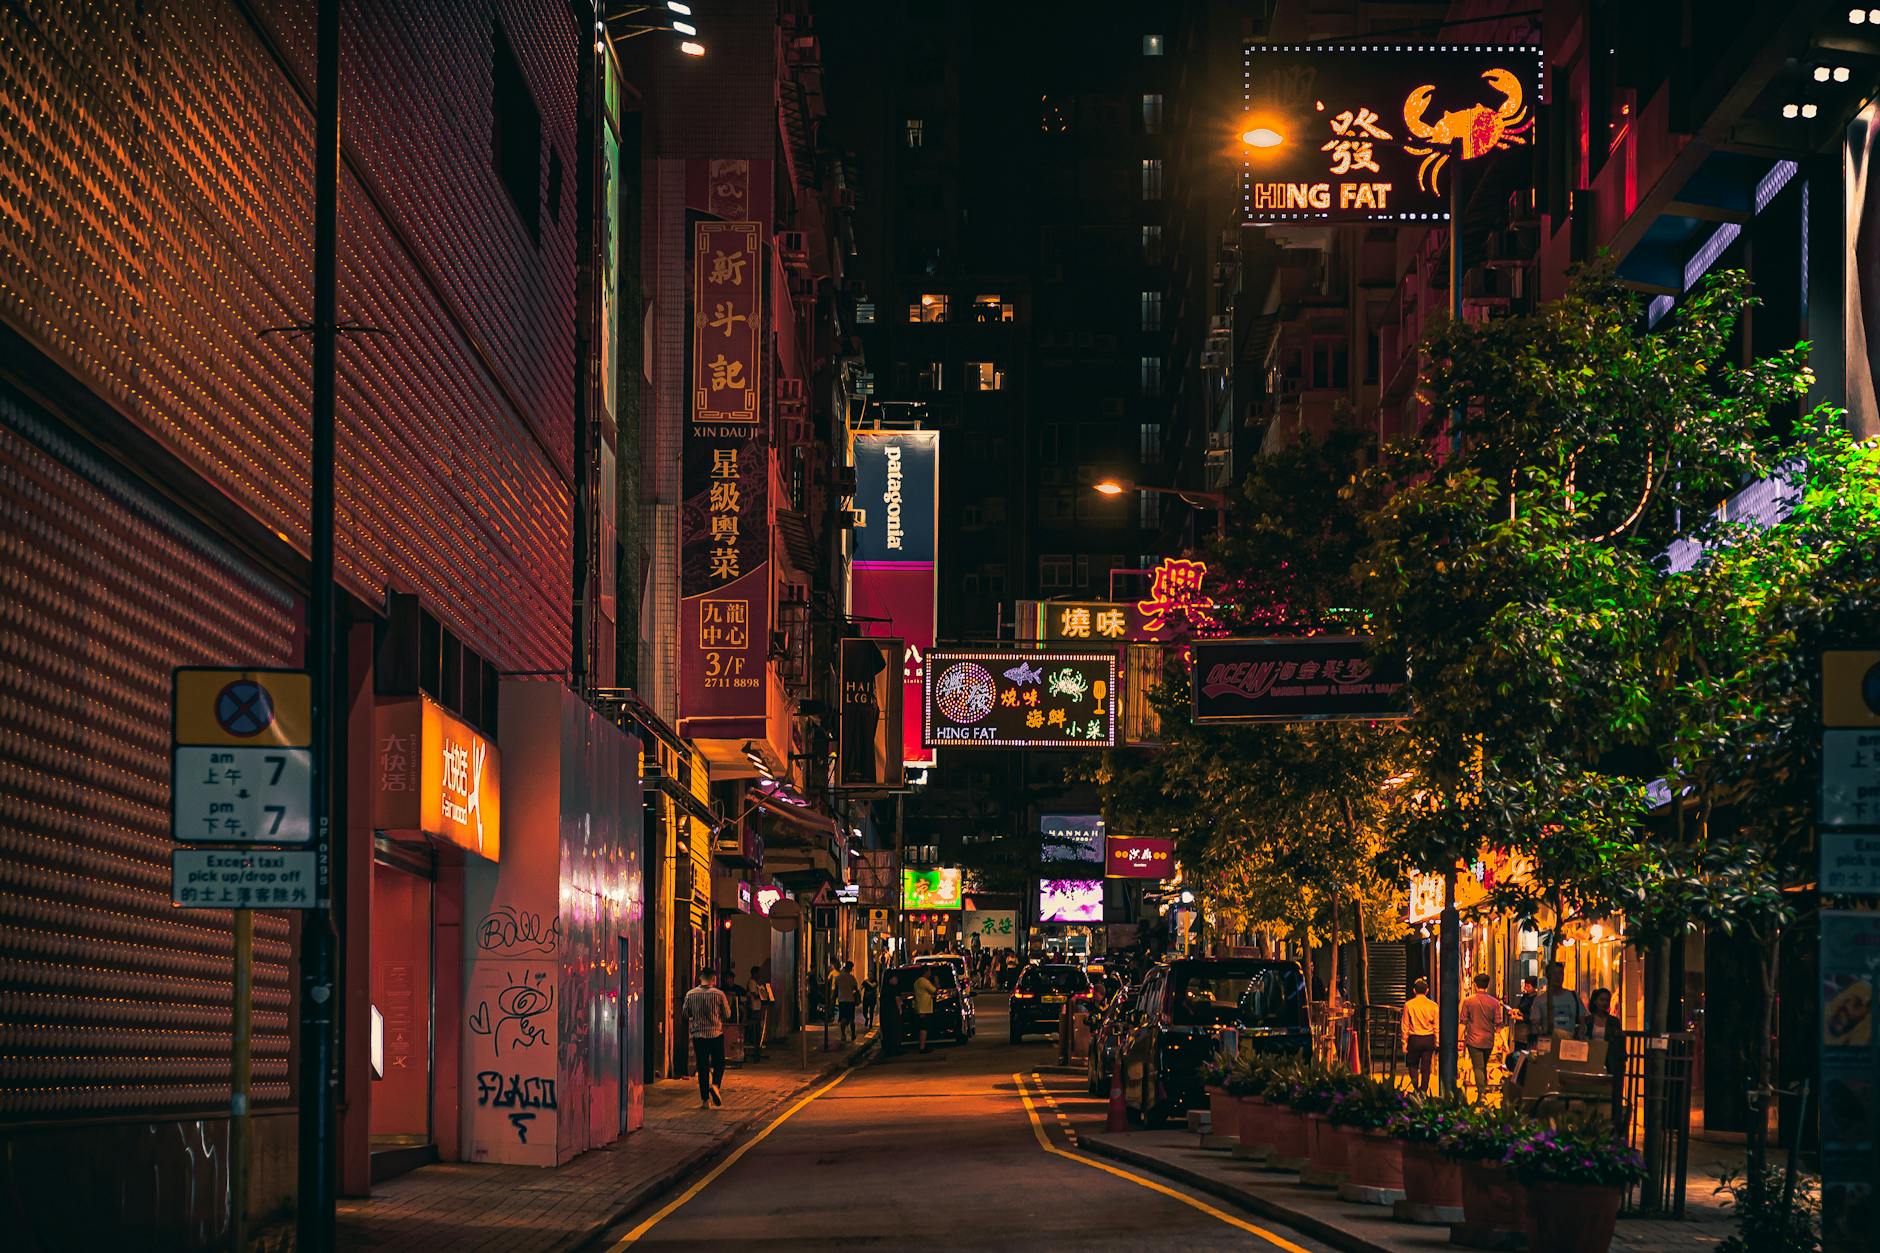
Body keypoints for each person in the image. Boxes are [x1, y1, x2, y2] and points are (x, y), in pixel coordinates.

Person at [1577, 987, 1626, 1127]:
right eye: (1602, 1000)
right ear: (1595, 1001)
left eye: (1607, 1000)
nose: (1605, 1003)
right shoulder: (1587, 1021)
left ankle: (1611, 1124)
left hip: (1609, 1060)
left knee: (1611, 1094)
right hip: (1592, 1060)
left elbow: (1619, 1042)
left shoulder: (1614, 1021)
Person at [682, 968, 731, 1108]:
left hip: (698, 1036)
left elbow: (685, 1014)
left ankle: (705, 1101)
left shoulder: (690, 994)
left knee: (702, 1067)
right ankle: (715, 1085)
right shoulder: (719, 994)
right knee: (719, 1063)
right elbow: (727, 1014)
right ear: (713, 979)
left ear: (700, 978)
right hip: (716, 1034)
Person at [1460, 973, 1507, 1102]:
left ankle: (1481, 1095)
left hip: (1473, 1040)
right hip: (1488, 1040)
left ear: (1475, 985)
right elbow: (1499, 1025)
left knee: (1478, 1067)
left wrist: (1459, 1040)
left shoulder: (1468, 1001)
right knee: (1483, 1065)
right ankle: (1483, 1091)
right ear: (1487, 985)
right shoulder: (1495, 1002)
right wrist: (1505, 1043)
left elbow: (1463, 1022)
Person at [1400, 977, 1440, 1096]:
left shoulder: (1409, 1005)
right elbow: (1437, 1026)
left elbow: (1405, 1025)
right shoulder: (1433, 1006)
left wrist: (1404, 1042)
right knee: (1426, 1066)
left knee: (1412, 1064)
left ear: (1414, 991)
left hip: (1414, 1039)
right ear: (1427, 991)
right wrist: (1437, 1041)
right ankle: (1423, 1090)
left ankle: (1416, 1088)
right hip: (1428, 1038)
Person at [1534, 961, 1585, 1039]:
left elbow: (1582, 1020)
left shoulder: (1573, 997)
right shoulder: (1540, 1000)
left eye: (1560, 973)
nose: (1558, 977)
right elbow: (1535, 1024)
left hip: (1570, 1044)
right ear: (1548, 976)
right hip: (1550, 1045)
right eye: (1554, 974)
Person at [746, 964, 775, 1061]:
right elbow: (754, 994)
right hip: (754, 1008)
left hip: (758, 1007)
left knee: (759, 1028)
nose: (760, 975)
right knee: (755, 1028)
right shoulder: (752, 983)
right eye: (758, 973)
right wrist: (763, 995)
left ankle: (757, 1048)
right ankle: (754, 1048)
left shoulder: (757, 983)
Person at [911, 967, 940, 1054]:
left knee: (922, 1027)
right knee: (924, 1027)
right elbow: (934, 990)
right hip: (924, 1008)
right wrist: (937, 982)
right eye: (929, 971)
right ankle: (922, 1047)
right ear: (925, 972)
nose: (930, 973)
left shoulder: (917, 982)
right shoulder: (924, 981)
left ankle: (922, 1045)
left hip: (919, 1007)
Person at [834, 961, 861, 1042]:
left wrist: (833, 999)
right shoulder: (852, 978)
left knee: (843, 1018)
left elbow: (836, 989)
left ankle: (843, 1035)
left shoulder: (839, 977)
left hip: (842, 1000)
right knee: (851, 1019)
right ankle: (853, 1034)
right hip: (850, 1000)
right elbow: (856, 989)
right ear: (850, 968)